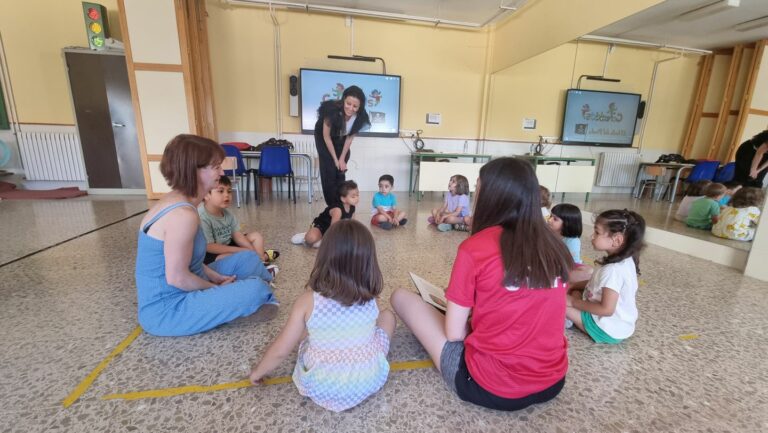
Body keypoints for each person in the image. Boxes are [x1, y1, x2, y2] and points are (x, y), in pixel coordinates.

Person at [390, 157, 572, 411]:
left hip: (489, 385)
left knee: (400, 296)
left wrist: (465, 316)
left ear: (490, 196)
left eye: (478, 188)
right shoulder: (555, 245)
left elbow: (454, 334)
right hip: (552, 381)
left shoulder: (475, 247)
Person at [135, 134, 278, 337]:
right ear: (193, 171)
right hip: (167, 310)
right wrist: (214, 288)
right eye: (215, 167)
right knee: (254, 289)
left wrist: (216, 276)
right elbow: (177, 278)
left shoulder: (179, 202)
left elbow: (187, 257)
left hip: (188, 286)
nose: (222, 171)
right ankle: (255, 293)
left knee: (247, 257)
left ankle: (258, 290)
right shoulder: (182, 215)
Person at [250, 220, 395, 412]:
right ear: (369, 261)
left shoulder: (308, 301)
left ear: (325, 256)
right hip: (366, 379)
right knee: (388, 316)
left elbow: (281, 351)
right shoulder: (371, 297)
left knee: (305, 332)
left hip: (321, 385)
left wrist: (257, 373)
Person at [565, 209, 645, 344]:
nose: (592, 236)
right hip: (619, 324)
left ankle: (571, 318)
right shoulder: (625, 259)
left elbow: (606, 310)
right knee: (574, 292)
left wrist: (573, 302)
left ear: (617, 239)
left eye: (597, 232)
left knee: (558, 303)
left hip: (606, 329)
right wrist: (572, 286)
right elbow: (595, 283)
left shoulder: (613, 271)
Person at [198, 175, 279, 265]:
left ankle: (261, 260)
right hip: (211, 253)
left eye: (229, 191)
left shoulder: (228, 214)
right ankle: (263, 257)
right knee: (230, 258)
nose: (226, 195)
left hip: (228, 244)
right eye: (221, 191)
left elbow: (237, 235)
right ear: (205, 195)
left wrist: (250, 250)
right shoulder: (202, 217)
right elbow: (209, 246)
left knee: (256, 236)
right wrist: (238, 250)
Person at [315, 85, 371, 206]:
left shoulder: (360, 118)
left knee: (341, 168)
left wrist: (341, 160)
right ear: (343, 99)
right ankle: (332, 206)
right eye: (348, 103)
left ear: (360, 107)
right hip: (324, 136)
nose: (351, 108)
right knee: (329, 167)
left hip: (341, 136)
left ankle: (342, 203)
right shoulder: (331, 111)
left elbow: (349, 139)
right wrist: (335, 159)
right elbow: (327, 137)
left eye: (355, 106)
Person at [291, 180, 359, 248]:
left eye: (357, 195)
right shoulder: (338, 210)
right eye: (353, 197)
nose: (357, 198)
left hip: (334, 231)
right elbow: (333, 228)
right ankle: (305, 236)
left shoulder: (352, 207)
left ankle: (321, 240)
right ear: (343, 199)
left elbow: (352, 224)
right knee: (311, 239)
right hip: (321, 227)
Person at [549, 203, 593, 284]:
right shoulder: (553, 234)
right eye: (550, 216)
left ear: (567, 223)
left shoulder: (572, 241)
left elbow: (572, 264)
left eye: (555, 219)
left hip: (570, 269)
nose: (550, 220)